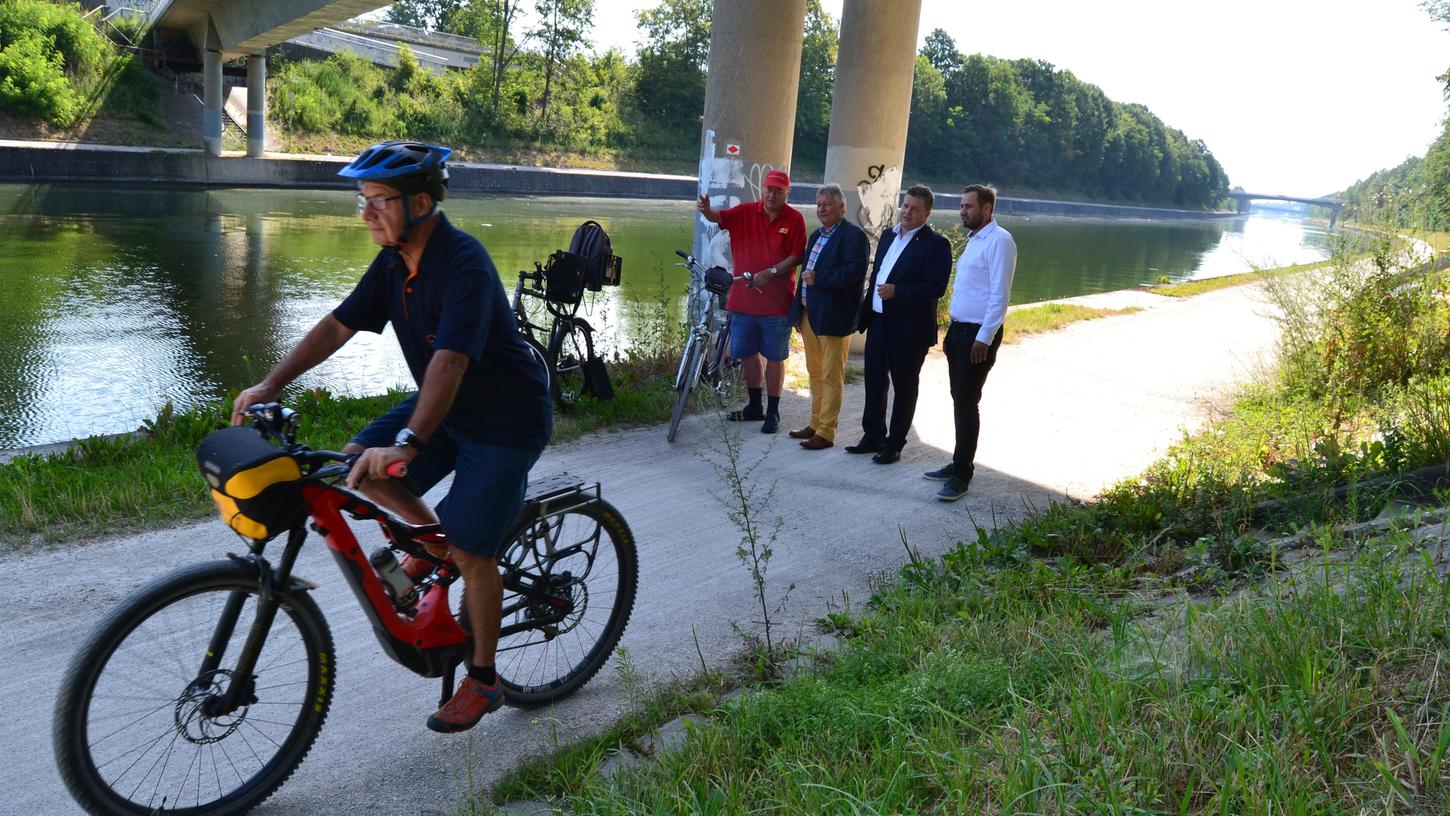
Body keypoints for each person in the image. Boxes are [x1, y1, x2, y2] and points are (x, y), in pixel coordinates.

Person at [230, 141, 553, 733]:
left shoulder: (464, 264)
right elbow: (337, 326)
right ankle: (433, 548)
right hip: (448, 406)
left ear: (422, 202)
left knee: (475, 552)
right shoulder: (393, 263)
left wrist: (407, 443)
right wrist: (271, 383)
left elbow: (451, 362)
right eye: (363, 201)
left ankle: (484, 680)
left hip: (506, 419)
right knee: (356, 466)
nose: (365, 213)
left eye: (378, 201)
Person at [846, 184, 952, 464]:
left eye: (914, 209)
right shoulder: (888, 236)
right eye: (905, 206)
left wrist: (898, 291)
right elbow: (877, 273)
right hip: (879, 322)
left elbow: (936, 287)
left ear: (927, 213)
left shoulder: (936, 244)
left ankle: (894, 445)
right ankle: (873, 437)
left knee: (904, 388)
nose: (907, 212)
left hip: (909, 329)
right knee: (874, 381)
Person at [696, 169, 806, 434]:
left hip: (777, 304)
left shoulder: (794, 219)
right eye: (769, 189)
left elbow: (796, 256)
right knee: (747, 354)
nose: (772, 194)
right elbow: (717, 217)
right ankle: (754, 407)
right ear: (762, 189)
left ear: (787, 192)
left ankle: (773, 411)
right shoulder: (745, 212)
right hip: (743, 301)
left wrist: (771, 272)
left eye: (778, 190)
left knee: (775, 357)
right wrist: (705, 209)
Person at [925, 184, 1017, 501]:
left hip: (978, 335)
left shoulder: (1000, 241)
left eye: (969, 206)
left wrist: (984, 338)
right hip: (959, 332)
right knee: (959, 400)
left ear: (987, 209)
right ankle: (956, 462)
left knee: (967, 403)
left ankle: (962, 475)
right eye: (962, 206)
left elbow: (999, 296)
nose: (963, 211)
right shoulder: (974, 241)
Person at [786, 183, 869, 450]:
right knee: (815, 372)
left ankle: (826, 432)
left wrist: (820, 278)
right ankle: (815, 423)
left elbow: (855, 272)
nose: (822, 209)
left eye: (827, 204)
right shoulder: (816, 235)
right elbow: (803, 277)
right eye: (819, 204)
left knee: (831, 375)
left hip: (834, 317)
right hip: (811, 314)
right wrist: (798, 310)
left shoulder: (854, 236)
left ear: (842, 207)